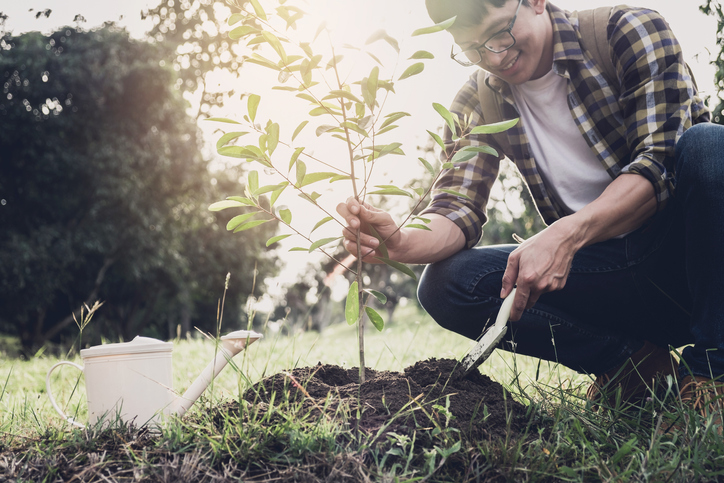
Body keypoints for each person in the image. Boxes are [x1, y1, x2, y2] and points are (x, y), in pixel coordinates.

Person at [337, 0, 724, 414]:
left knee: (709, 145)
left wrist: (565, 234)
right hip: (612, 275)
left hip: (694, 265)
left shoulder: (627, 31)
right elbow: (455, 207)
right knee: (446, 283)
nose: (493, 58)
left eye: (499, 34)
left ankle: (713, 378)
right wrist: (400, 243)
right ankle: (636, 366)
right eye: (471, 49)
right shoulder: (478, 100)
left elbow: (658, 167)